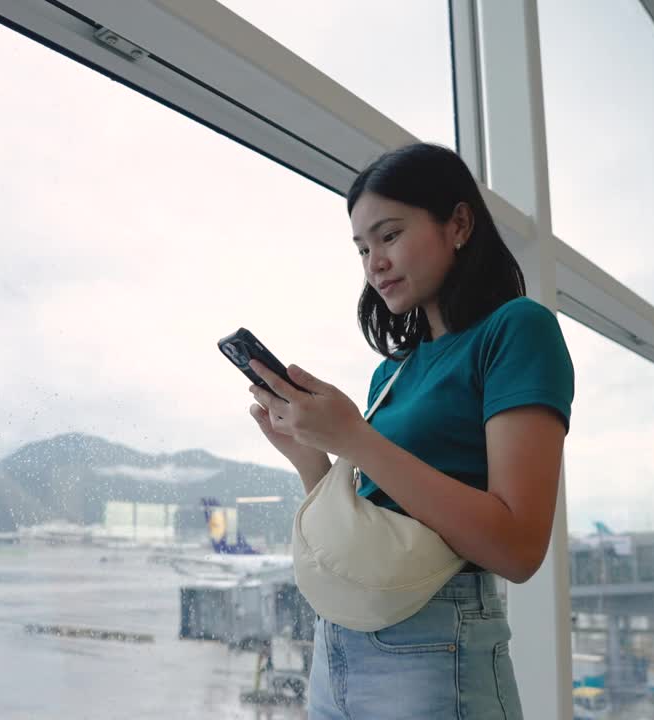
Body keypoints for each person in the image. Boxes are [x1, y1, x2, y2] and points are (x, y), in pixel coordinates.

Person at [246, 142, 574, 718]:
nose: (374, 262)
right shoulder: (392, 372)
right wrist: (310, 458)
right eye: (362, 247)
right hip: (337, 646)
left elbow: (519, 548)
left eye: (390, 235)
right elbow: (373, 527)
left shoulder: (517, 329)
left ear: (459, 224)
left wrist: (355, 440)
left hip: (435, 647)